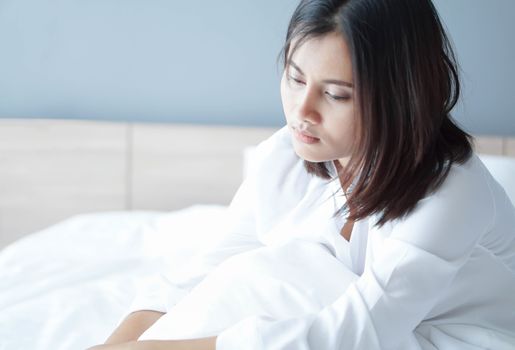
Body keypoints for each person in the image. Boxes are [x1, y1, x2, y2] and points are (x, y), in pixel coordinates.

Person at [88, 0, 515, 349]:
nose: (302, 111)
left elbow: (362, 331)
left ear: (399, 96)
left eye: (335, 94)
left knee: (277, 276)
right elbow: (209, 268)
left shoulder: (451, 191)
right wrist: (120, 343)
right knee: (251, 275)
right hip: (361, 331)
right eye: (295, 78)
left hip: (455, 338)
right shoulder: (284, 157)